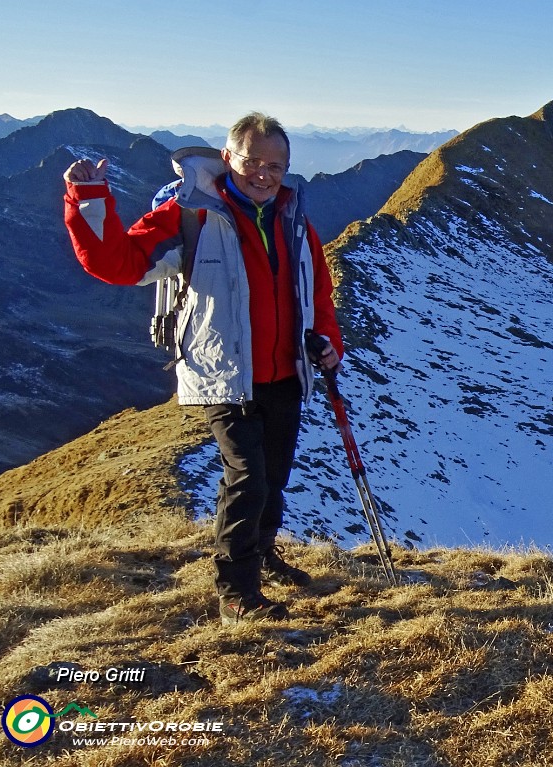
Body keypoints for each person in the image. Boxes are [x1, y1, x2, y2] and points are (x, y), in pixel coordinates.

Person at [63, 112, 345, 624]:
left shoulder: (293, 217)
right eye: (253, 161)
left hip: (284, 371)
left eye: (275, 164)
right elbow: (120, 263)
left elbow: (317, 293)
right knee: (248, 477)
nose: (264, 173)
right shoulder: (188, 216)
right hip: (224, 374)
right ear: (227, 158)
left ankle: (260, 555)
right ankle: (237, 592)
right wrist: (89, 199)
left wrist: (328, 341)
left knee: (274, 476)